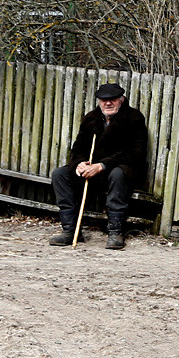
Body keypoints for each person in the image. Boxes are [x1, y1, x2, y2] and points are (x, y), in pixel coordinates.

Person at [49, 82, 149, 249]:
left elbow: (134, 153)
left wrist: (101, 165)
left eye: (113, 99)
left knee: (118, 174)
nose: (108, 103)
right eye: (104, 100)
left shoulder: (134, 119)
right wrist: (79, 164)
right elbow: (77, 148)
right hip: (92, 171)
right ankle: (70, 230)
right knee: (60, 174)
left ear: (121, 99)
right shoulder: (91, 119)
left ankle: (115, 232)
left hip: (122, 171)